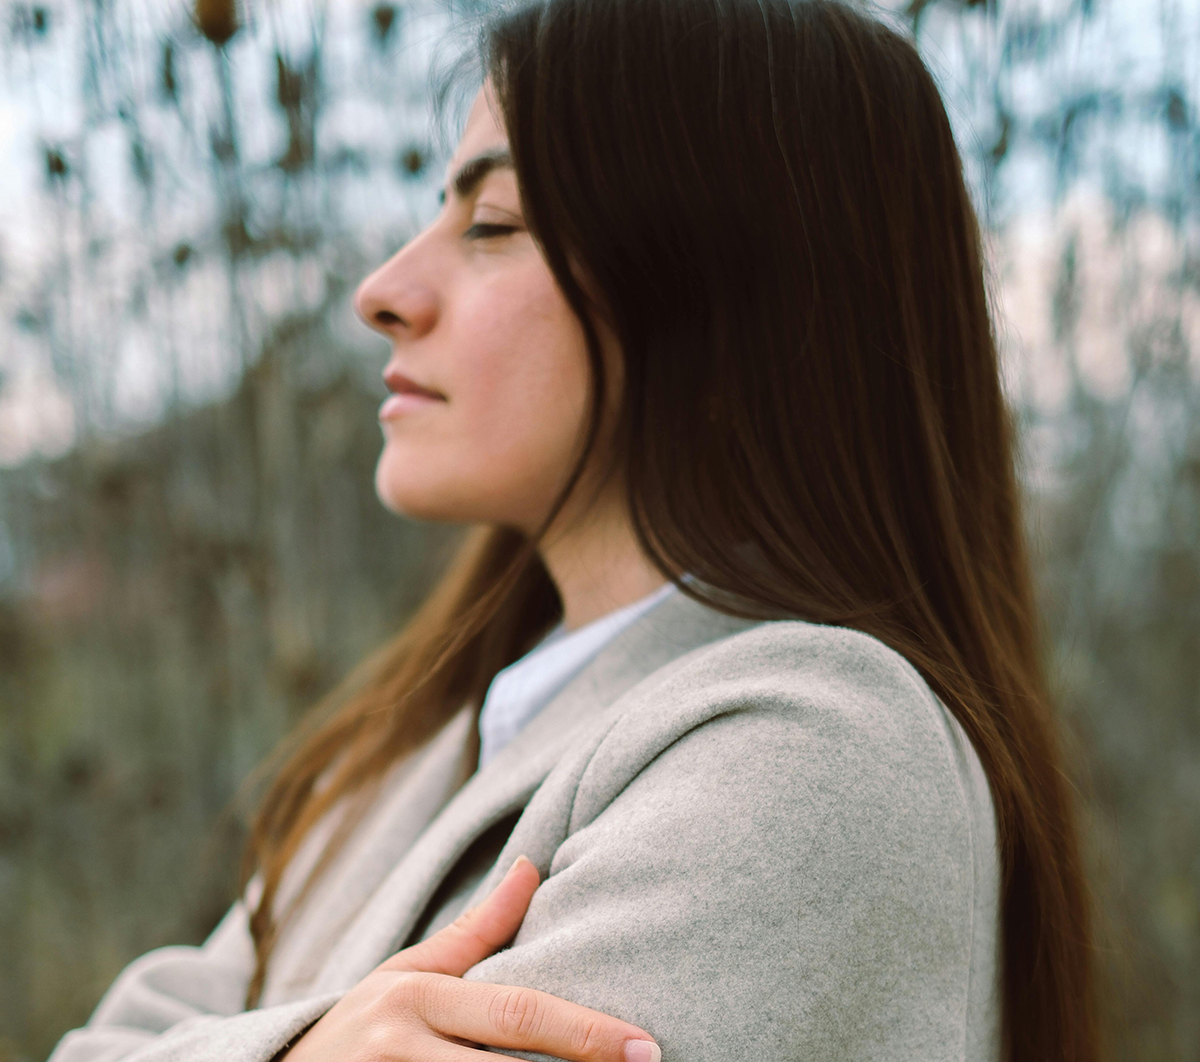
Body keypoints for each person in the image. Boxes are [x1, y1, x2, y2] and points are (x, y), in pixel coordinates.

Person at [48, 0, 1099, 1059]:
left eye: (493, 224)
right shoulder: (408, 758)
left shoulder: (812, 758)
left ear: (726, 294)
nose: (383, 292)